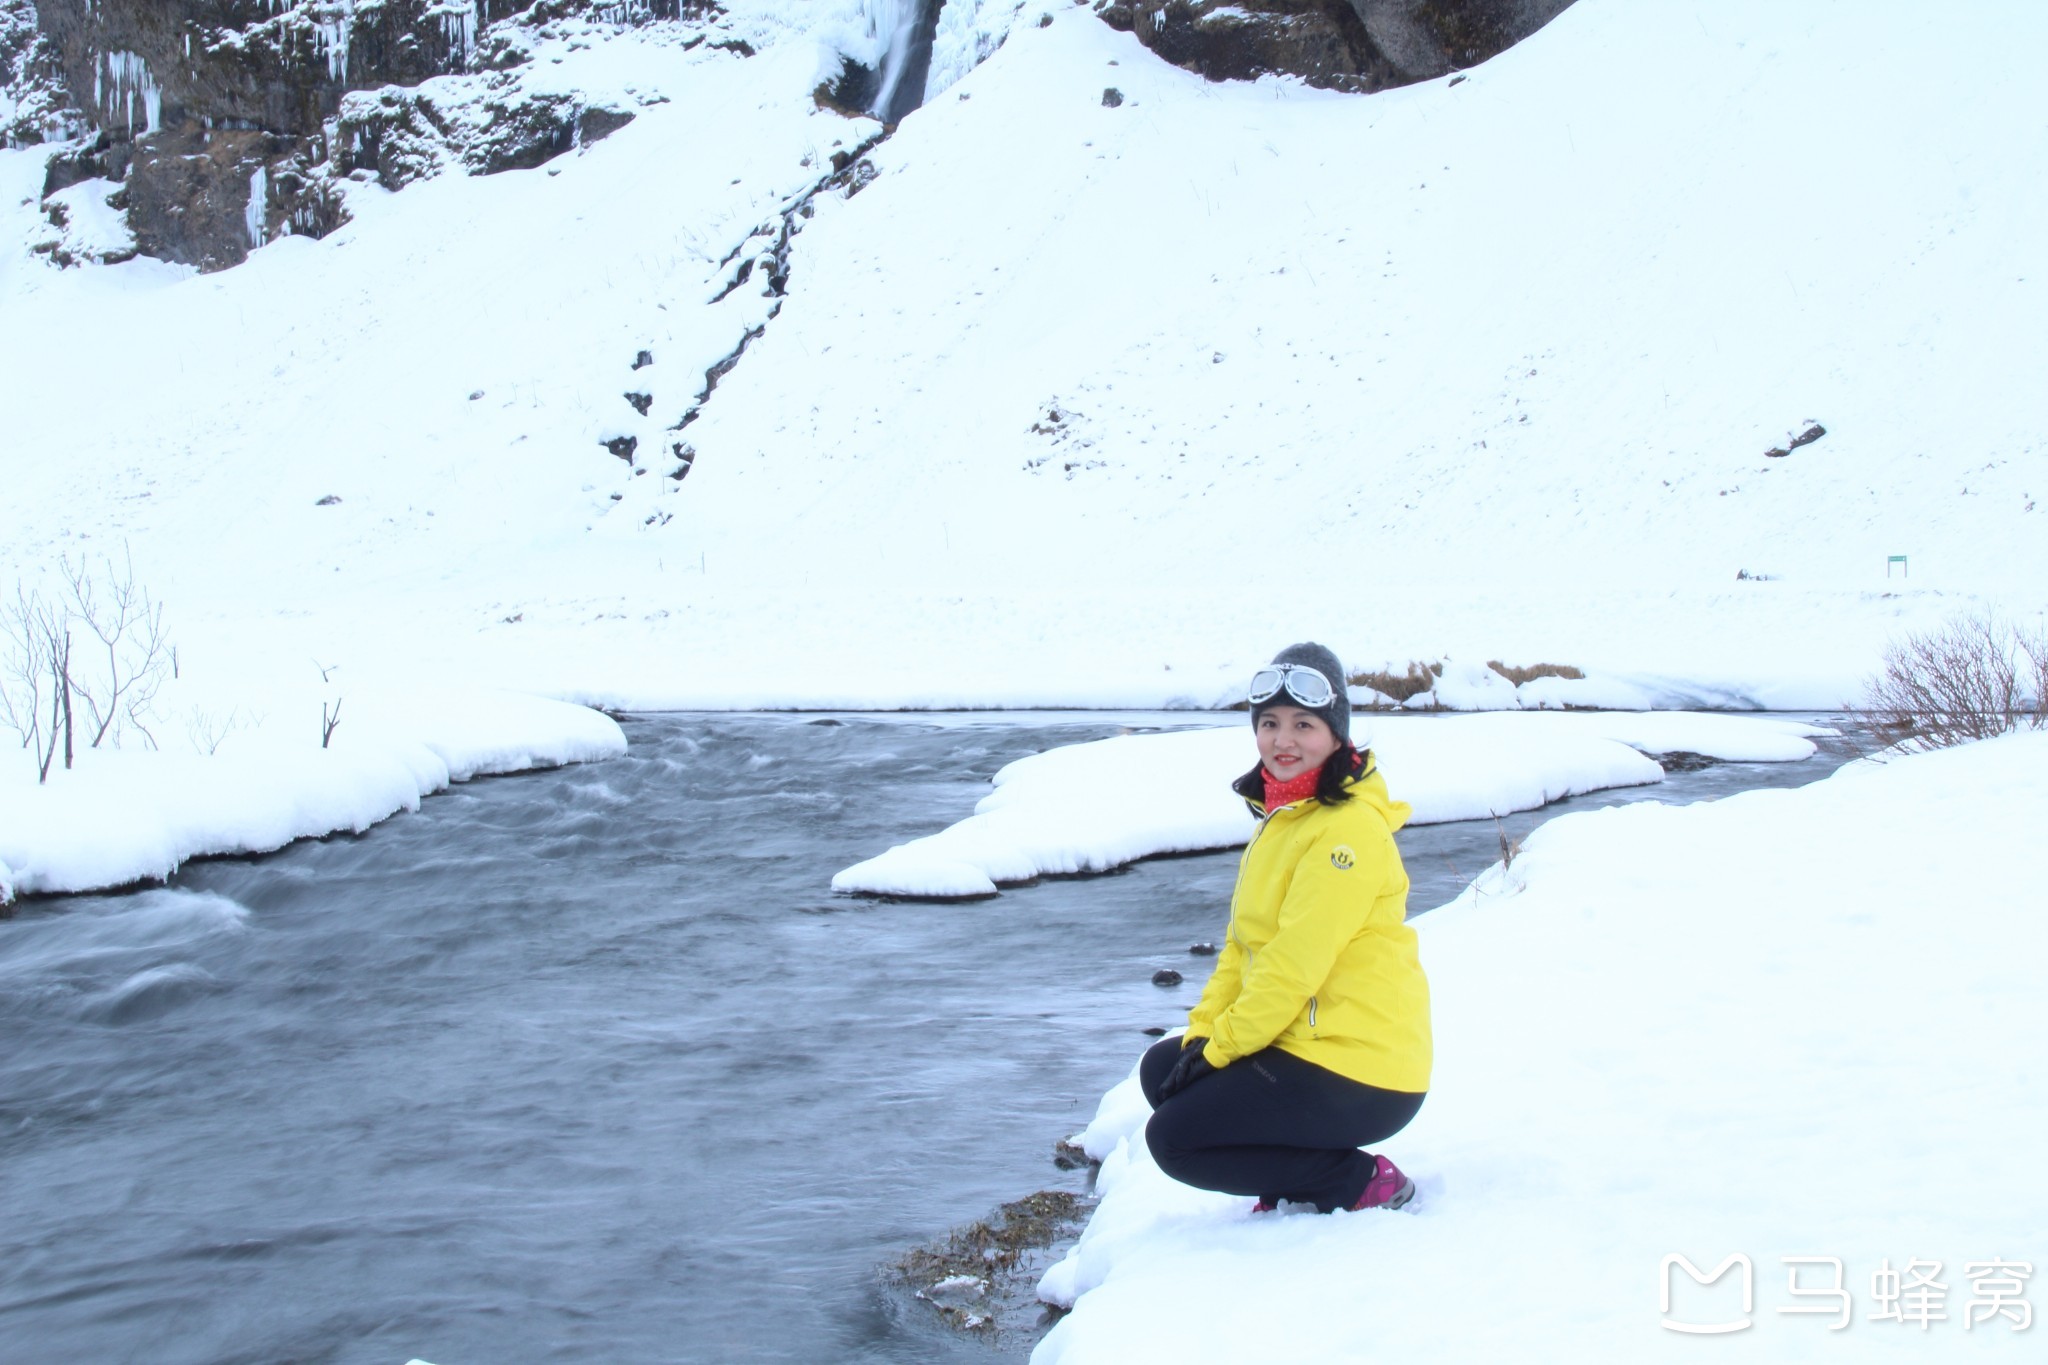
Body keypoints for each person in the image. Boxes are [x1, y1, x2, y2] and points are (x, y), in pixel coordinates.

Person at [1139, 642, 1431, 1214]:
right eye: (1269, 723)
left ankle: (1356, 1181)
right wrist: (1203, 1035)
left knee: (1173, 1140)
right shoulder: (1287, 817)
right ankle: (1294, 1167)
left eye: (1304, 724)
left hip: (1362, 1066)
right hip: (1305, 1042)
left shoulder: (1346, 833)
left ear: (1337, 734)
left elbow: (1290, 969)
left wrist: (1221, 1051)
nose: (1283, 740)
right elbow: (1243, 949)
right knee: (1165, 1070)